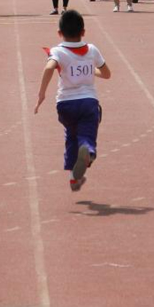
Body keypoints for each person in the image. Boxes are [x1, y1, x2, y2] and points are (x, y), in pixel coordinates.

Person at [34, 10, 111, 191]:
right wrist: (91, 70)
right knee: (86, 135)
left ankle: (74, 178)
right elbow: (107, 74)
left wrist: (41, 94)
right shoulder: (92, 50)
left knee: (71, 137)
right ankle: (88, 151)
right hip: (88, 102)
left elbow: (49, 68)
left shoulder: (58, 51)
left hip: (65, 104)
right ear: (83, 32)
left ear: (59, 33)